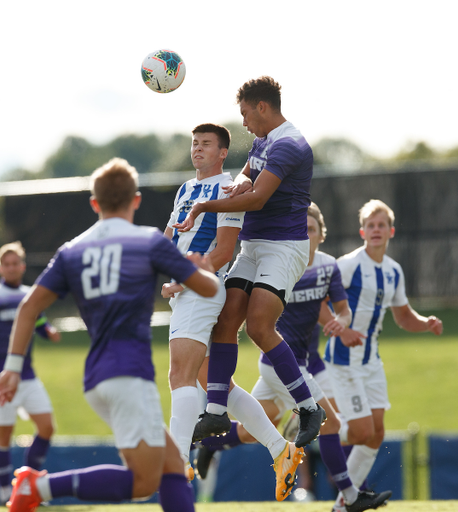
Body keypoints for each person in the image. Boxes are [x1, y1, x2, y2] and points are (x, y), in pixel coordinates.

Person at [0, 158, 220, 512]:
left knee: (173, 463)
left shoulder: (72, 250)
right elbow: (205, 289)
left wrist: (11, 367)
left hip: (96, 377)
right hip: (129, 375)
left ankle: (37, 486)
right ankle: (39, 485)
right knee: (144, 481)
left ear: (94, 204)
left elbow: (28, 309)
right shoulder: (147, 241)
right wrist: (204, 268)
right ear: (136, 200)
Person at [194, 203, 392, 512]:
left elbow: (340, 306)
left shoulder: (327, 267)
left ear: (321, 235)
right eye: (301, 229)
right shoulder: (281, 265)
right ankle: (350, 498)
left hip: (311, 362)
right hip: (281, 366)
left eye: (311, 229)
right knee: (331, 423)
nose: (306, 234)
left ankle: (214, 442)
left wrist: (341, 319)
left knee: (250, 429)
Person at [174, 76, 326, 454]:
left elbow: (258, 199)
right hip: (253, 245)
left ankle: (309, 408)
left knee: (259, 325)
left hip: (282, 248)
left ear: (262, 107)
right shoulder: (263, 140)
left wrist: (206, 205)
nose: (243, 123)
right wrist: (240, 180)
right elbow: (248, 175)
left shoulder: (290, 145)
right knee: (227, 320)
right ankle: (215, 410)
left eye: (245, 114)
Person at [162, 123, 304, 501]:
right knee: (212, 382)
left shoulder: (226, 189)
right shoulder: (186, 188)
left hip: (201, 290)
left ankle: (177, 468)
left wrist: (185, 279)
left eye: (206, 144)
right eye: (194, 143)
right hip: (186, 289)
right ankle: (280, 449)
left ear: (223, 153)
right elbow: (169, 237)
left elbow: (225, 250)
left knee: (181, 375)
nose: (198, 149)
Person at [324, 199, 443, 512]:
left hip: (371, 362)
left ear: (390, 231)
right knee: (361, 431)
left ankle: (343, 504)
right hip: (343, 359)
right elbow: (319, 301)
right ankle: (319, 433)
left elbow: (403, 316)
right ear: (362, 231)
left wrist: (426, 323)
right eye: (370, 225)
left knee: (375, 435)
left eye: (381, 225)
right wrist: (342, 330)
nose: (376, 230)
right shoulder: (348, 264)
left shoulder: (393, 271)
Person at [0, 241, 60, 505]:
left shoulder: (32, 295)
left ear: (22, 266)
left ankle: (29, 484)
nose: (11, 268)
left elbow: (41, 323)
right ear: (0, 268)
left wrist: (49, 332)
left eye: (16, 263)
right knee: (4, 436)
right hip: (1, 378)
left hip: (28, 376)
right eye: (7, 264)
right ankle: (5, 492)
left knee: (47, 427)